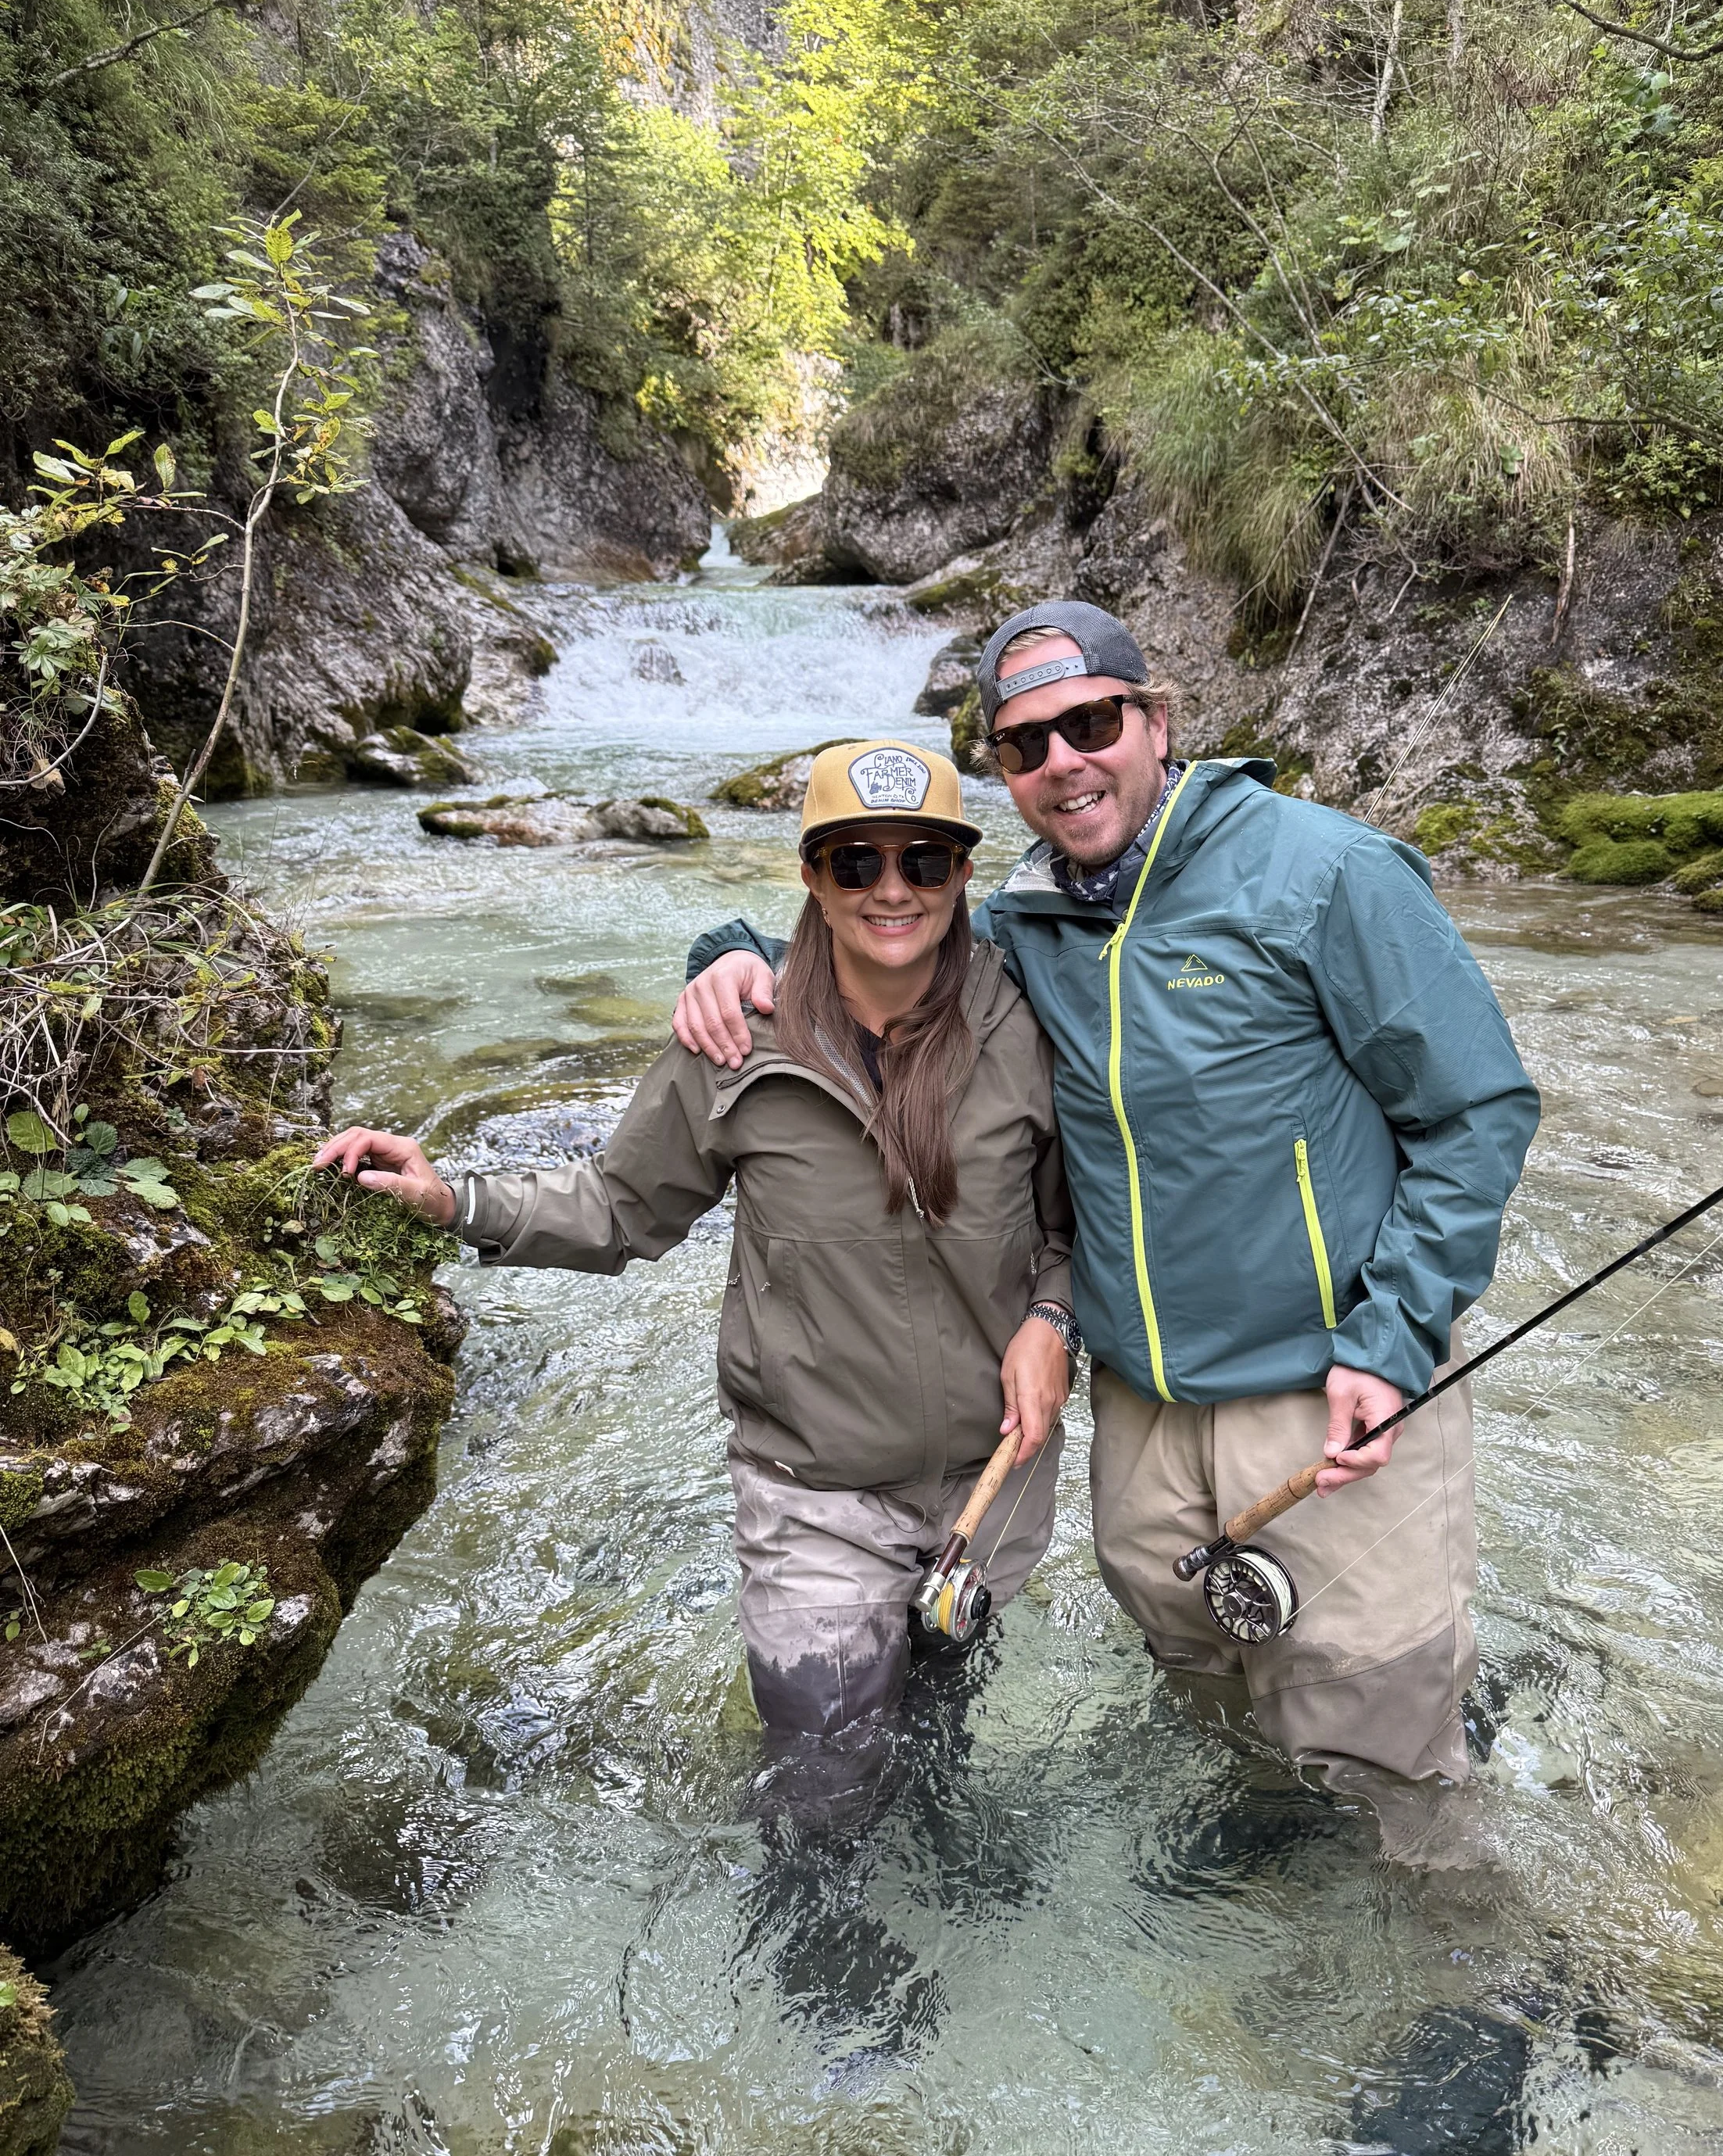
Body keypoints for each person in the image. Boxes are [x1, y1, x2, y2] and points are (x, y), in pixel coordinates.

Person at [675, 602, 1540, 1809]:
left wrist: (1394, 1342)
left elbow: (1478, 1110)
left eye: (1091, 722)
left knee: (1379, 1720)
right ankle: (1277, 1863)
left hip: (1332, 1377)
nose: (1063, 762)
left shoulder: (1328, 871)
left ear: (1157, 720)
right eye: (1026, 745)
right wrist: (726, 950)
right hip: (1141, 1397)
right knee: (1203, 1678)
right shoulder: (1034, 922)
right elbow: (883, 941)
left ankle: (1457, 1965)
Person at [315, 741, 1075, 1806]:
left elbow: (1081, 1221)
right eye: (856, 863)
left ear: (963, 872)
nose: (892, 890)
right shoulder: (735, 1040)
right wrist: (457, 1201)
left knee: (938, 1738)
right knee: (822, 1793)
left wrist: (1053, 1313)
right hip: (815, 1497)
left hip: (996, 1486)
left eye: (925, 862)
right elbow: (621, 1206)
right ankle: (835, 1971)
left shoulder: (1033, 1019)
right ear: (810, 875)